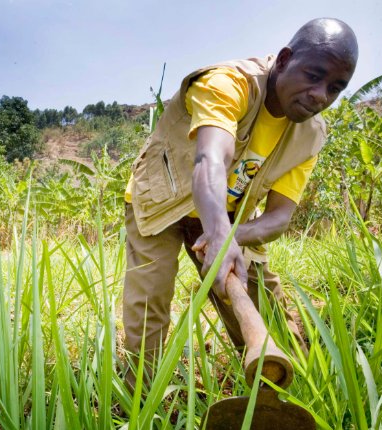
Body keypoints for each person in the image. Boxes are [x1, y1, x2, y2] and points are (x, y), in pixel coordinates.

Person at [122, 18, 358, 389]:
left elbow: (280, 217)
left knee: (263, 301)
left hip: (228, 216)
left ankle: (288, 387)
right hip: (162, 201)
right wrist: (218, 234)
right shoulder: (228, 84)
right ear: (283, 60)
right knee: (149, 302)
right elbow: (210, 160)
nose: (320, 95)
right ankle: (138, 400)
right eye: (313, 76)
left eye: (335, 88)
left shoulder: (310, 135)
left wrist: (230, 236)